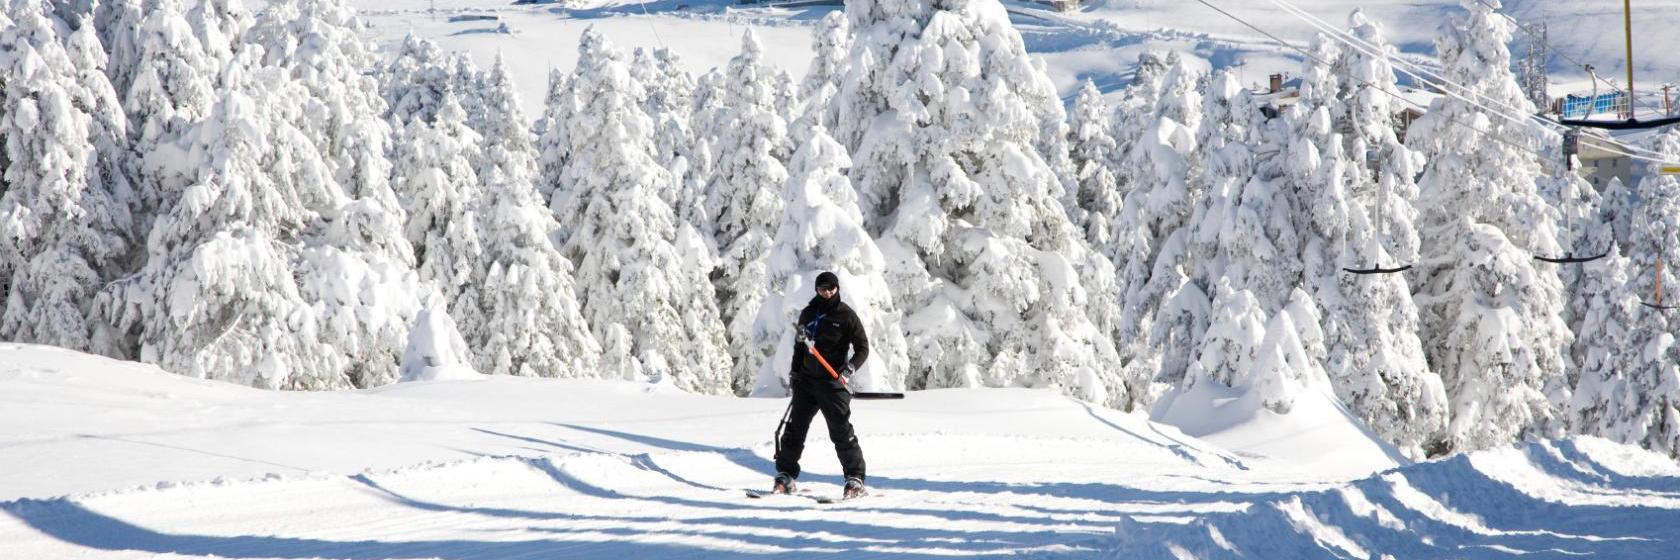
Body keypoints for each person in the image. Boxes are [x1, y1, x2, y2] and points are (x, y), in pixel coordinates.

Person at [772, 271, 870, 499]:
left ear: (837, 288)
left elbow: (863, 347)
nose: (827, 292)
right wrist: (795, 374)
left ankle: (854, 479)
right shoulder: (808, 313)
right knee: (795, 429)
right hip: (806, 382)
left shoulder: (846, 316)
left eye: (831, 288)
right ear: (816, 289)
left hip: (833, 382)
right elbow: (799, 348)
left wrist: (849, 369)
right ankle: (786, 475)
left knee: (840, 431)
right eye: (822, 288)